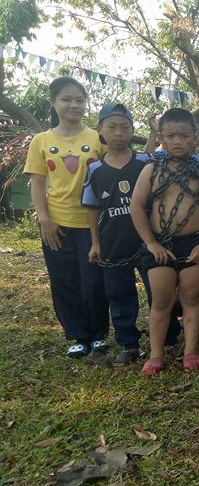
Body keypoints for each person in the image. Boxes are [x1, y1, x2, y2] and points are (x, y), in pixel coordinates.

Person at [130, 108, 199, 375]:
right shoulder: (151, 169)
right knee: (161, 301)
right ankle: (156, 354)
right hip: (160, 245)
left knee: (192, 297)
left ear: (195, 138)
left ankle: (191, 350)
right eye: (170, 136)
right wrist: (151, 243)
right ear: (161, 138)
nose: (177, 141)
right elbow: (136, 206)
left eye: (184, 136)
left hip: (194, 243)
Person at [25, 77, 109, 359]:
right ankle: (77, 335)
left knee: (94, 281)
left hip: (93, 224)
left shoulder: (96, 137)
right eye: (66, 99)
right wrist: (44, 220)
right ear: (53, 102)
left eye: (80, 100)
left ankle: (98, 334)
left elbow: (116, 167)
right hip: (57, 223)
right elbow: (38, 183)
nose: (74, 105)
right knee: (64, 280)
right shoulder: (42, 141)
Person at [82, 103, 151, 364]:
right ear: (100, 130)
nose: (119, 133)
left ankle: (168, 338)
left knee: (159, 292)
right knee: (119, 295)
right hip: (112, 242)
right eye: (112, 127)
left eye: (125, 127)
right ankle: (128, 344)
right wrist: (95, 243)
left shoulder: (145, 162)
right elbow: (92, 208)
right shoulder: (95, 169)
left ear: (132, 130)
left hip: (148, 241)